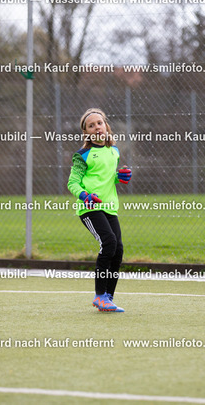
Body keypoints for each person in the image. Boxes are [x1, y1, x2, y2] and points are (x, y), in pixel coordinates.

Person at [67, 108, 132, 312]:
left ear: (106, 126)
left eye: (99, 123)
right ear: (86, 132)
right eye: (91, 125)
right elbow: (73, 183)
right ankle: (99, 295)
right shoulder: (82, 156)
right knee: (108, 242)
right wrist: (85, 196)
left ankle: (108, 298)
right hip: (90, 208)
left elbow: (106, 178)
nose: (97, 127)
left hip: (110, 208)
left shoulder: (114, 151)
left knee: (118, 250)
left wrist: (119, 178)